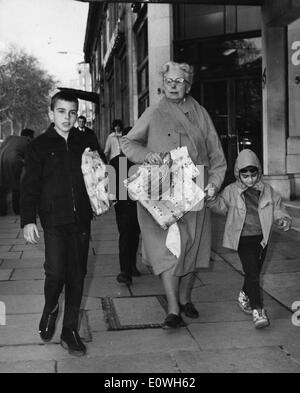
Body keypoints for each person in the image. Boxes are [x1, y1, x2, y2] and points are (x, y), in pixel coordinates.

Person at [121, 61, 227, 328]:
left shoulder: (200, 113)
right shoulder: (154, 111)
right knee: (168, 249)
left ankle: (184, 298)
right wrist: (148, 155)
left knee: (193, 249)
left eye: (179, 82)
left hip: (195, 191)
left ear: (188, 85)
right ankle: (172, 309)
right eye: (169, 81)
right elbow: (128, 142)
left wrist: (213, 183)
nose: (173, 86)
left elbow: (216, 156)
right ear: (163, 84)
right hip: (162, 192)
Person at [20, 91, 103, 356]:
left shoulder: (86, 139)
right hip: (54, 219)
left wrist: (123, 185)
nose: (67, 118)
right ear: (51, 113)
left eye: (72, 112)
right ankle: (51, 307)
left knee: (77, 275)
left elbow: (105, 169)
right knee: (56, 273)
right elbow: (29, 186)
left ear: (77, 114)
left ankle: (70, 331)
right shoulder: (39, 146)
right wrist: (27, 221)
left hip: (81, 219)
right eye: (61, 112)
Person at [209, 149, 291, 329]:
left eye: (253, 175)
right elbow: (221, 207)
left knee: (254, 273)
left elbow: (277, 207)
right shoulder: (231, 190)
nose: (250, 180)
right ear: (238, 173)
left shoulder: (267, 190)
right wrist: (212, 199)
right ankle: (258, 311)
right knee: (253, 274)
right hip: (242, 239)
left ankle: (244, 294)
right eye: (245, 176)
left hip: (262, 238)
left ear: (259, 172)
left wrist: (282, 219)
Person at [108, 124, 141, 285]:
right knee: (129, 235)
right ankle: (126, 270)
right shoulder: (116, 161)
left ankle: (130, 267)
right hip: (125, 205)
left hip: (131, 204)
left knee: (131, 235)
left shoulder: (119, 161)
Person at [0, 128, 34, 215]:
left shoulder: (9, 137)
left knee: (2, 188)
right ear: (29, 136)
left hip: (1, 160)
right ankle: (17, 210)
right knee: (16, 186)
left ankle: (2, 212)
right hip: (13, 161)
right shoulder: (27, 141)